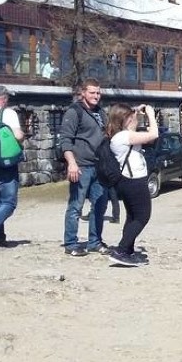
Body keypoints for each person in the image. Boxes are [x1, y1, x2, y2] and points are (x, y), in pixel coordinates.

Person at [60, 78, 110, 257]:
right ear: (83, 93)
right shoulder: (74, 112)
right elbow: (65, 140)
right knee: (76, 206)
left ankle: (94, 241)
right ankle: (71, 243)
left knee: (100, 205)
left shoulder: (101, 112)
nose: (96, 96)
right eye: (92, 92)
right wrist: (71, 163)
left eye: (98, 92)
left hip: (99, 167)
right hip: (81, 166)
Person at [105, 103, 158, 267]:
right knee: (143, 216)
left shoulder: (122, 135)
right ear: (125, 119)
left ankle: (128, 250)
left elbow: (137, 130)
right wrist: (150, 114)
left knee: (133, 217)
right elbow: (154, 134)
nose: (135, 118)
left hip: (129, 180)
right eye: (132, 116)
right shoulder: (123, 137)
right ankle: (121, 250)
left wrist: (136, 111)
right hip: (133, 181)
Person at [0, 85, 25, 249]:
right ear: (4, 98)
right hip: (5, 163)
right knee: (8, 202)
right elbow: (18, 136)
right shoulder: (8, 113)